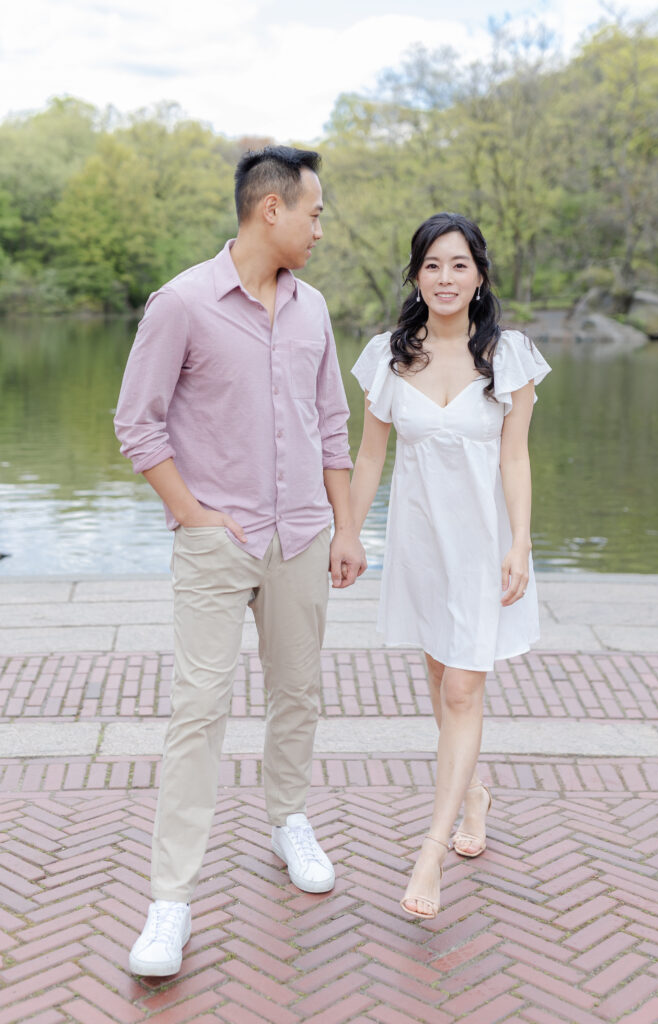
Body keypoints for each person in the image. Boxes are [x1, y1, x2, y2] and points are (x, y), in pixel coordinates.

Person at [114, 145, 366, 975]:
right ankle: (170, 900)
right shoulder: (181, 304)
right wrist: (192, 516)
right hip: (217, 544)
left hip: (299, 535)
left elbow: (333, 425)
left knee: (298, 691)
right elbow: (137, 423)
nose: (320, 227)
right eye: (315, 212)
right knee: (199, 711)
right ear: (271, 211)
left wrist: (344, 529)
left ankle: (287, 816)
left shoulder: (314, 311)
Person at [349, 212, 550, 919]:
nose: (444, 277)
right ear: (414, 275)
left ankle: (430, 852)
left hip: (482, 545)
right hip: (417, 542)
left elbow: (515, 456)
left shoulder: (509, 355)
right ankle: (472, 797)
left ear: (480, 274)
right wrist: (348, 531)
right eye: (431, 264)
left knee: (464, 690)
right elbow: (369, 456)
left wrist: (520, 540)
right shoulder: (387, 355)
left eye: (458, 264)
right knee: (440, 681)